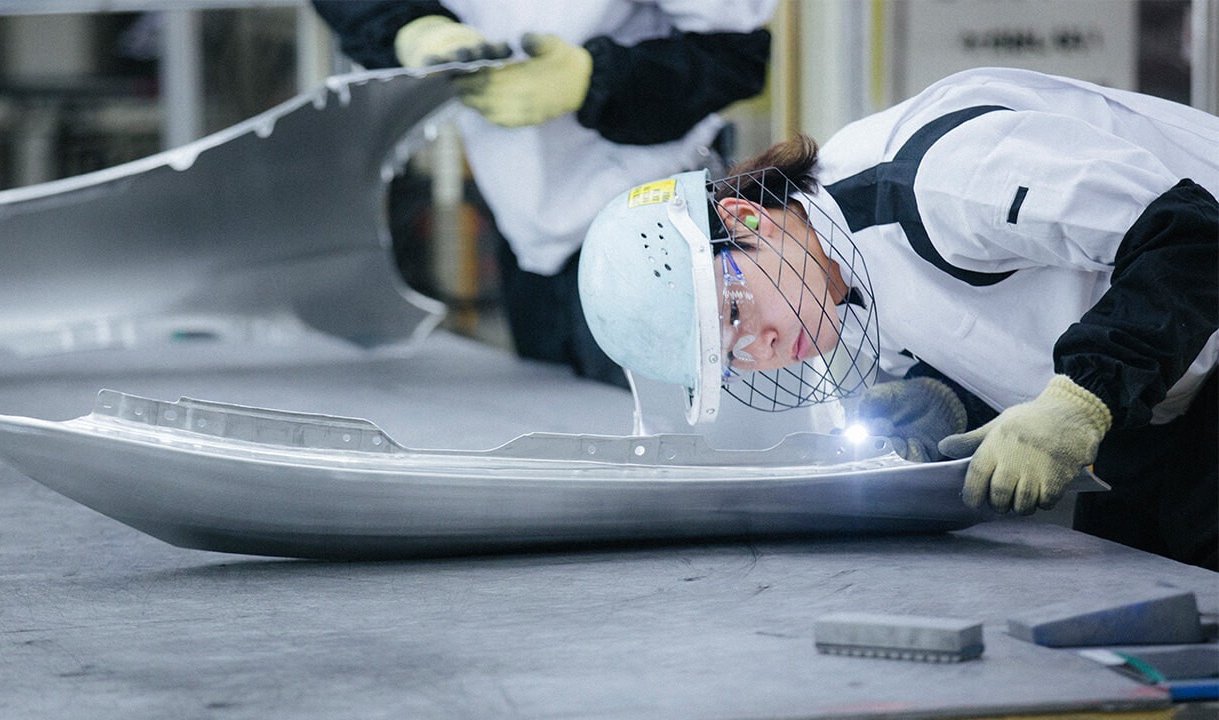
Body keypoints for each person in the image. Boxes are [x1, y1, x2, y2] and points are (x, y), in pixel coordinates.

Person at [577, 67, 1218, 570]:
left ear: (747, 220)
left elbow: (1189, 240)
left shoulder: (940, 180)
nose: (763, 345)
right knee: (1127, 575)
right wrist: (952, 403)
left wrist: (1081, 399)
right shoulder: (825, 277)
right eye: (733, 354)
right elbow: (1006, 318)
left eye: (735, 311)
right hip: (1165, 388)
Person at [311, 1, 776, 386]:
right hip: (523, 232)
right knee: (555, 433)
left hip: (652, 225)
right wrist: (409, 27)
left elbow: (736, 56)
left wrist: (593, 80)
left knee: (660, 459)